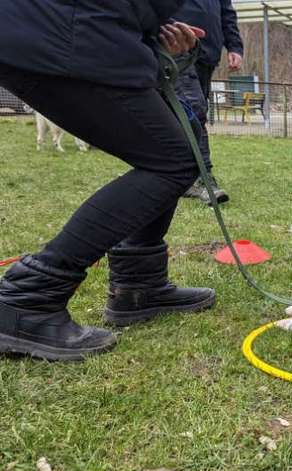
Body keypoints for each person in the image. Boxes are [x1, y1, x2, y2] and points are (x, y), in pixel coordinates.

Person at [0, 1, 216, 361]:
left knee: (180, 142)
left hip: (73, 28)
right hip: (62, 33)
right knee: (173, 160)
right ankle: (28, 298)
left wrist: (153, 30)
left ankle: (139, 285)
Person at [174, 0, 244, 205]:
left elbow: (226, 13)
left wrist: (234, 46)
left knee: (183, 114)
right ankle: (203, 178)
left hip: (207, 54)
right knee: (193, 110)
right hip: (177, 47)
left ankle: (179, 176)